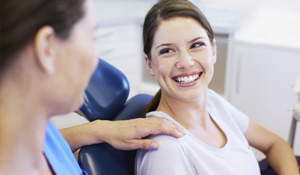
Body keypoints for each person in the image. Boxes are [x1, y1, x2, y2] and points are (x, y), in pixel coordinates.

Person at [0, 0, 186, 174]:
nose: (95, 62)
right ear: (47, 49)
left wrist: (99, 130)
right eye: (92, 38)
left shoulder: (34, 126)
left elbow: (52, 145)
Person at [135, 0, 299, 174]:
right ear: (150, 64)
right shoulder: (166, 151)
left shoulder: (213, 103)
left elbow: (275, 144)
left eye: (196, 45)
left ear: (213, 50)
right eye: (167, 51)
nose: (185, 62)